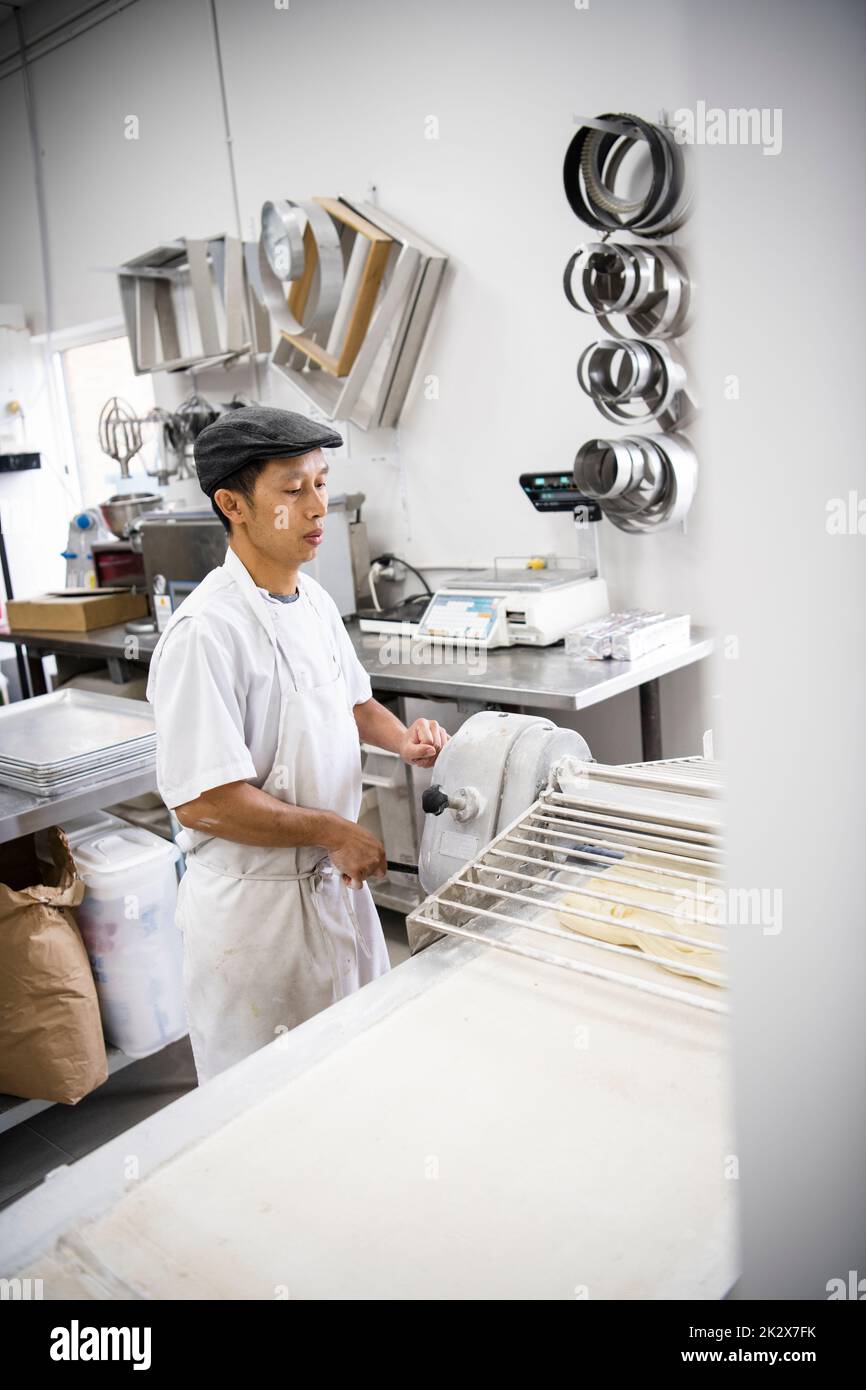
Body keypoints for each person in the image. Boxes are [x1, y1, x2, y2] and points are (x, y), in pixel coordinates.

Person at [146, 405, 449, 1083]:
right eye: (293, 489)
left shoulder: (310, 600)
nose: (319, 506)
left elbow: (353, 700)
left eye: (321, 482)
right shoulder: (206, 634)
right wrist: (333, 830)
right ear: (233, 504)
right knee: (269, 1104)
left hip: (332, 892)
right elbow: (204, 803)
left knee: (353, 1079)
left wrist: (405, 741)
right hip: (259, 921)